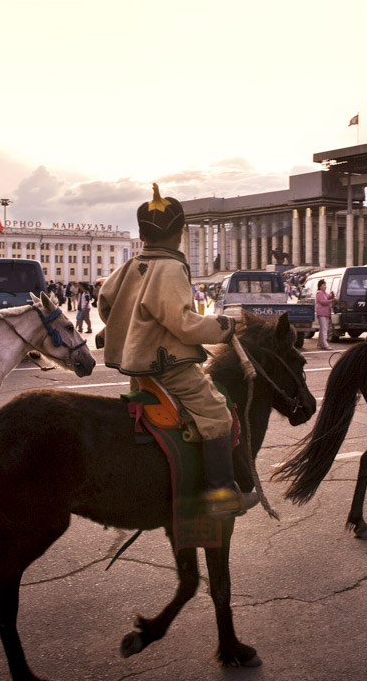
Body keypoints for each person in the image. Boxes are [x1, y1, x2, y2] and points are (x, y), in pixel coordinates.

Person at [98, 183, 253, 519]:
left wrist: (128, 332)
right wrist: (223, 327)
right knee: (215, 411)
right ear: (180, 233)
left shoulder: (130, 264)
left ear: (142, 234)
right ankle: (221, 493)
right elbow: (183, 323)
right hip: (168, 365)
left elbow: (105, 303)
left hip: (136, 367)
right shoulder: (170, 267)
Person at [315, 280, 335, 350]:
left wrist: (332, 295)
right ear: (320, 286)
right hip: (321, 313)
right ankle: (325, 344)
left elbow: (329, 297)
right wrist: (330, 301)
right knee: (324, 329)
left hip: (326, 313)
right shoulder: (319, 293)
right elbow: (322, 302)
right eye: (323, 285)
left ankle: (320, 343)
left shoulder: (325, 293)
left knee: (323, 328)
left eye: (325, 285)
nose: (325, 286)